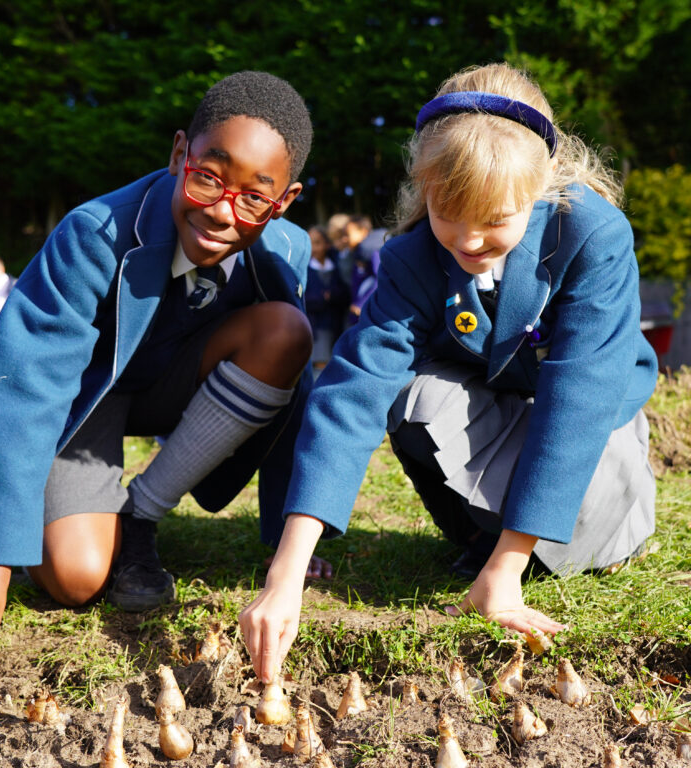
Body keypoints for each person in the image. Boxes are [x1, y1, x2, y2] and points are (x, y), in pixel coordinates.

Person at [240, 63, 658, 683]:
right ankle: (480, 545)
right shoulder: (412, 256)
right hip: (499, 412)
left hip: (591, 433)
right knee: (411, 396)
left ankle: (539, 549)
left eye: (495, 219)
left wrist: (509, 573)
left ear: (539, 188)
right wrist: (287, 571)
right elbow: (355, 390)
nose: (467, 240)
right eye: (447, 213)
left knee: (574, 546)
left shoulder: (592, 235)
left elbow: (578, 399)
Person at [0, 71, 327, 678]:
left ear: (284, 202)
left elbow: (295, 391)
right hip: (88, 401)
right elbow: (20, 386)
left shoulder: (287, 251)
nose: (224, 211)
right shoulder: (92, 234)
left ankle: (141, 512)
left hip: (183, 386)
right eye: (209, 177)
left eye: (255, 197)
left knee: (286, 332)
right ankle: (89, 515)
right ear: (179, 155)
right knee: (75, 578)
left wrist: (288, 532)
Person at [304, 225, 349, 375]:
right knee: (320, 368)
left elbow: (346, 292)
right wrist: (323, 298)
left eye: (317, 243)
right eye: (310, 243)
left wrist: (333, 296)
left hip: (337, 324)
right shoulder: (304, 269)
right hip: (316, 327)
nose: (313, 248)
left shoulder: (336, 266)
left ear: (327, 244)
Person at [344, 215, 386, 324]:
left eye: (348, 234)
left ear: (363, 232)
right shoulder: (358, 254)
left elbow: (380, 278)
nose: (345, 239)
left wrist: (361, 303)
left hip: (371, 316)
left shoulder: (373, 250)